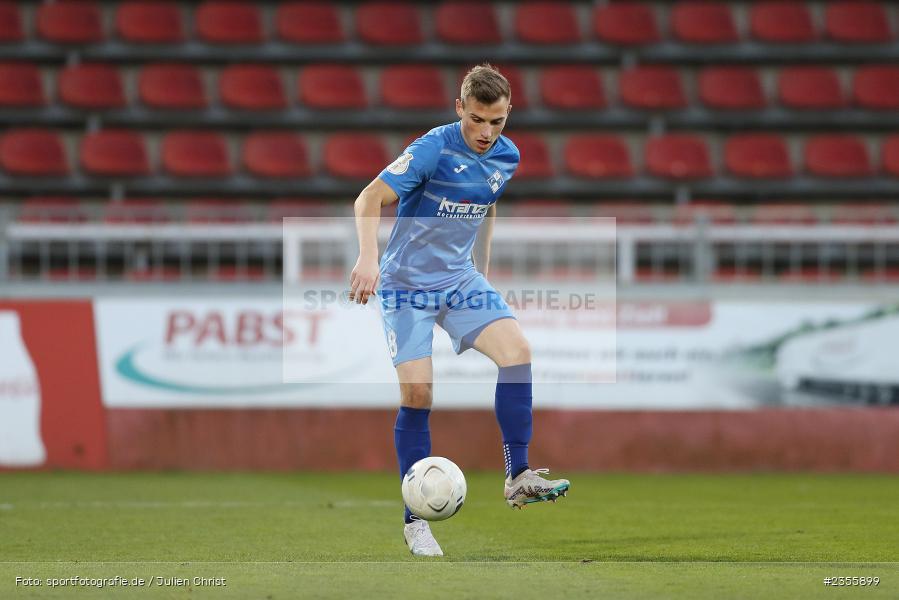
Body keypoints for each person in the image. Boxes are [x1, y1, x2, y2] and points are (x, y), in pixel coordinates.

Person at [349, 64, 569, 557]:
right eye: (476, 120)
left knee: (517, 351)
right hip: (406, 285)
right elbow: (369, 198)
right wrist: (368, 258)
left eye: (497, 121)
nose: (486, 133)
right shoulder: (433, 147)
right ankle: (415, 521)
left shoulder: (507, 156)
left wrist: (482, 266)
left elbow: (486, 201)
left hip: (459, 280)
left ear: (508, 114)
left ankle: (518, 475)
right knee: (420, 392)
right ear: (459, 110)